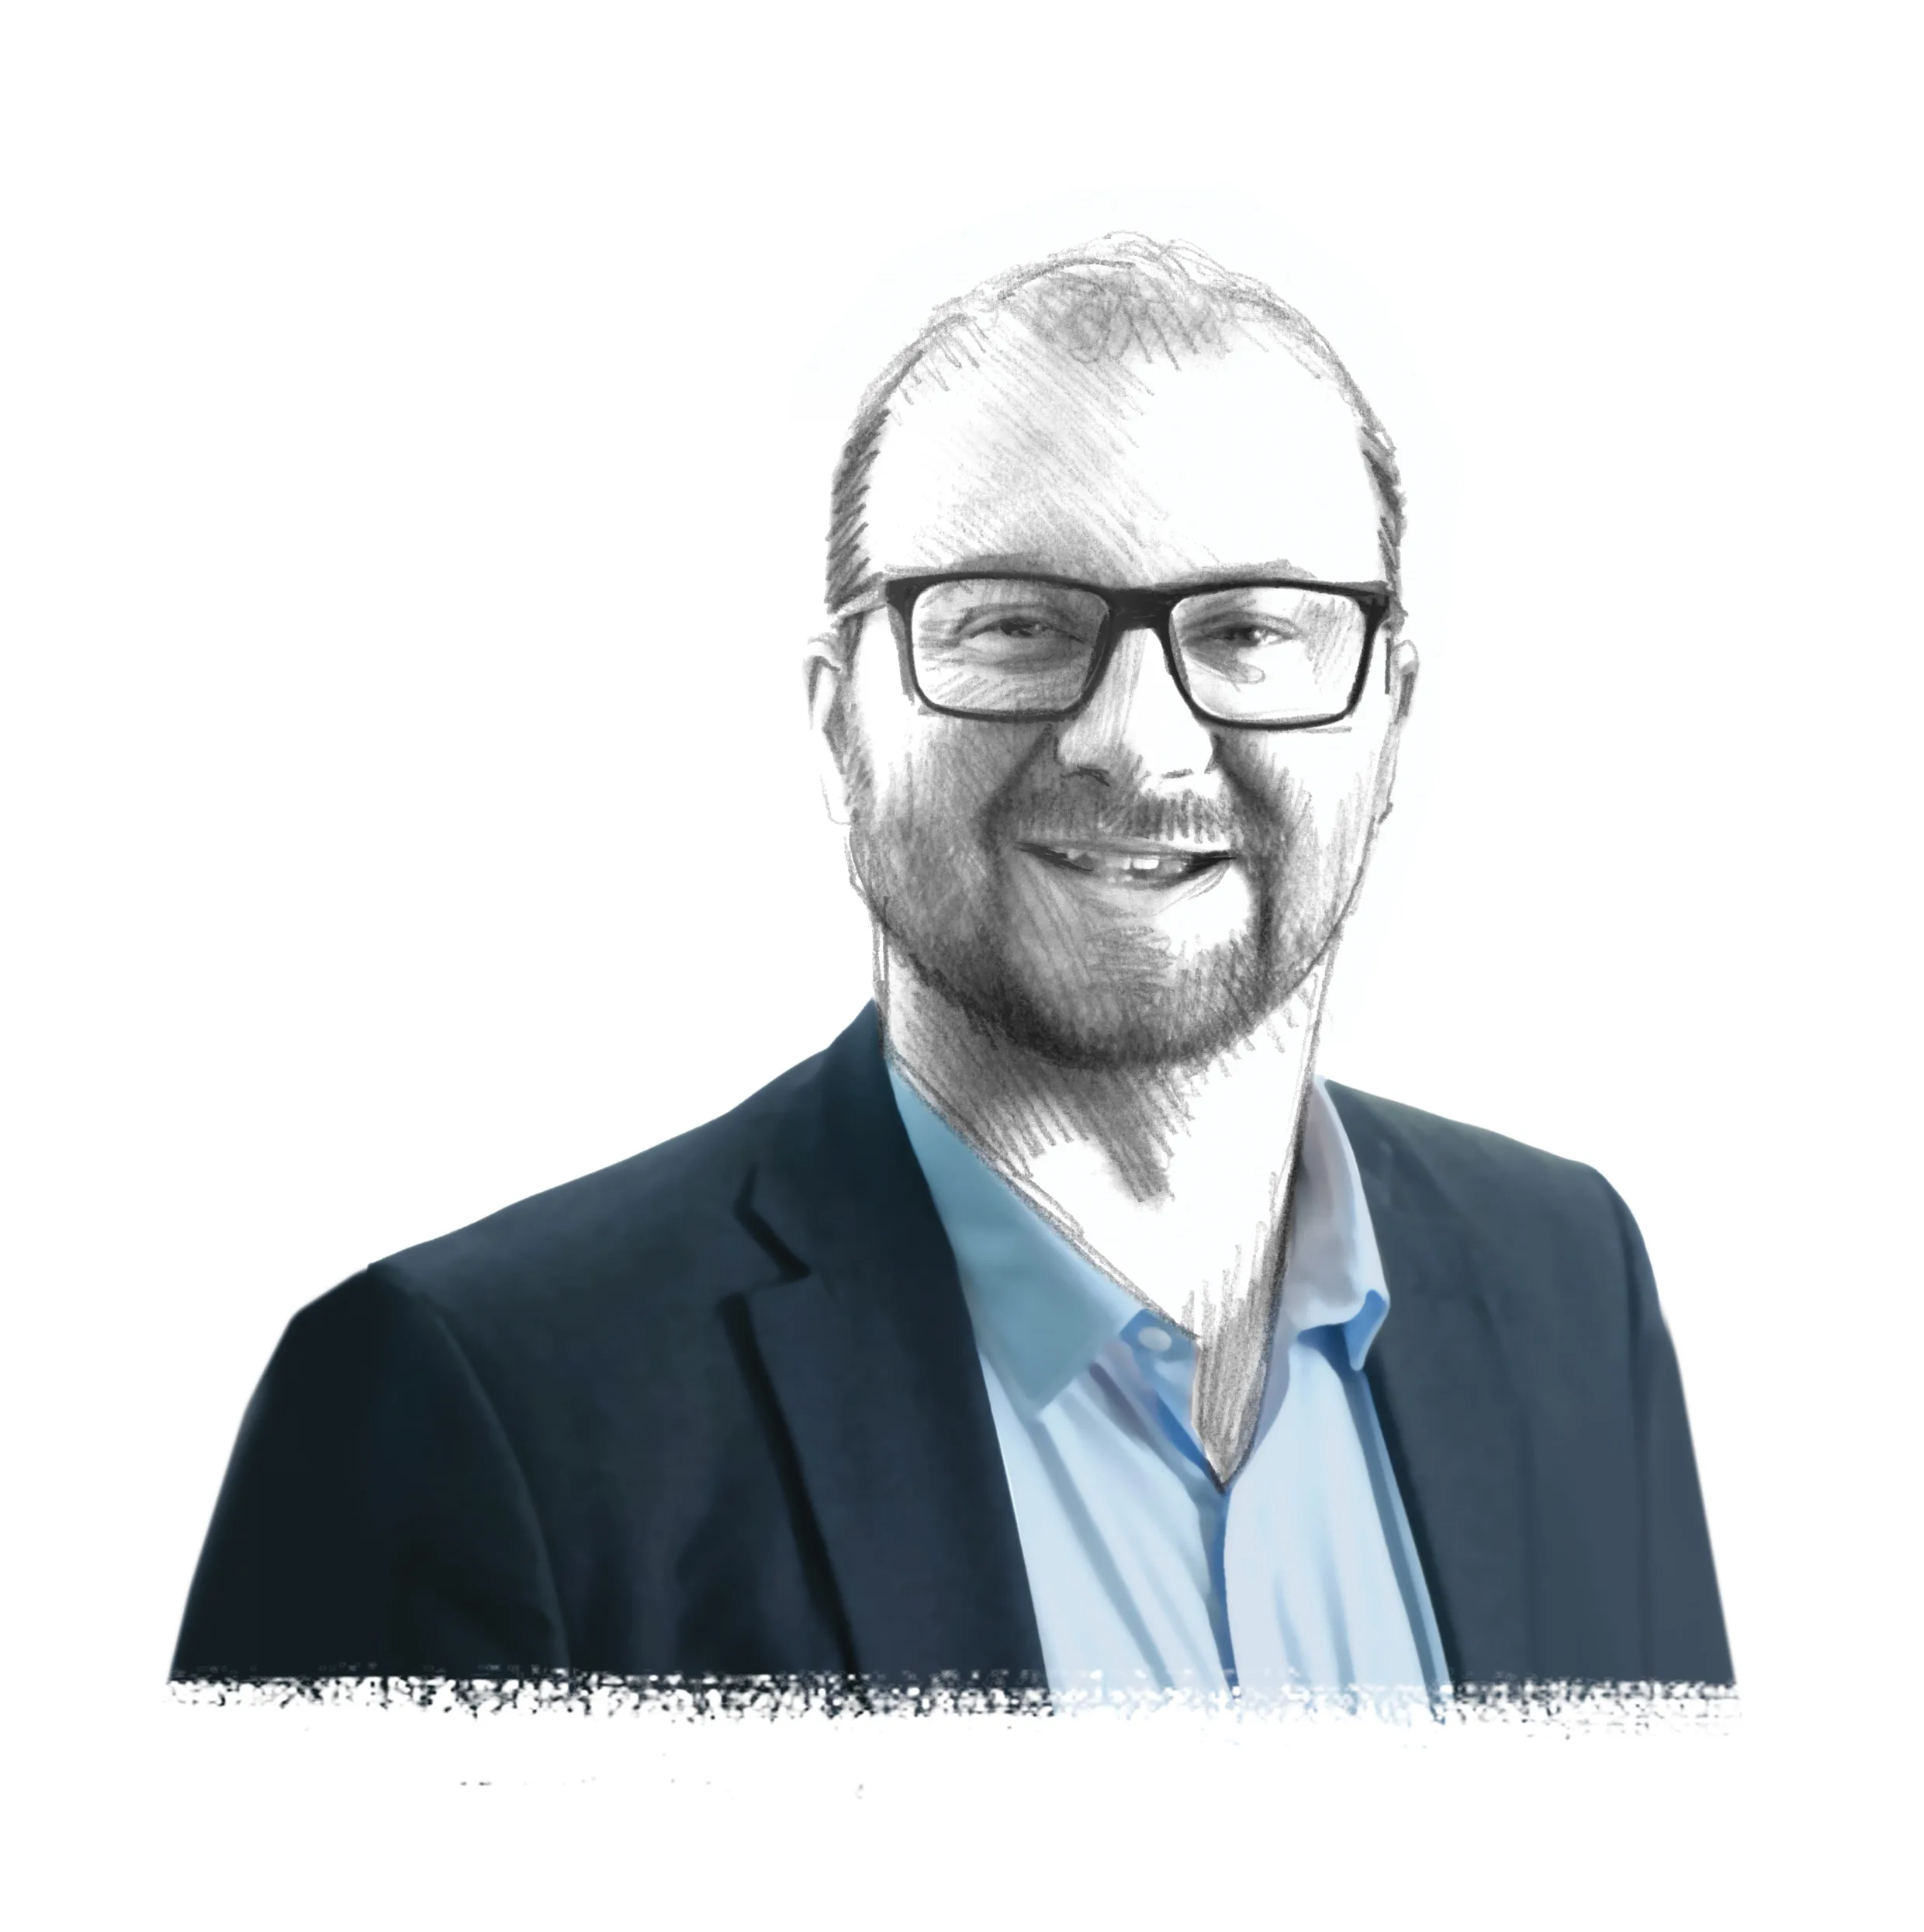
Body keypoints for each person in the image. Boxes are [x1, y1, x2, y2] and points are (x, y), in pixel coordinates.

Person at [172, 235, 1732, 1699]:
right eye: (1014, 628)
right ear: (837, 725)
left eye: (1253, 633)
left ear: (1389, 717)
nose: (1139, 741)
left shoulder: (1570, 1288)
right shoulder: (462, 1415)